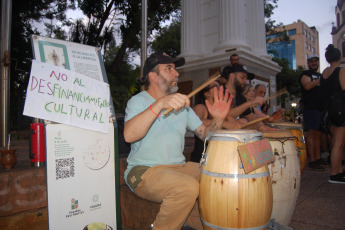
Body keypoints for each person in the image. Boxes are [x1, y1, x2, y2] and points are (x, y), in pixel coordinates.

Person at [123, 52, 232, 229]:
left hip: (179, 169)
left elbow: (205, 135)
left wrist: (218, 119)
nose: (177, 74)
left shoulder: (183, 106)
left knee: (218, 175)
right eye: (169, 68)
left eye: (175, 69)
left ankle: (202, 224)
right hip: (143, 171)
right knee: (187, 187)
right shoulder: (139, 101)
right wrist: (159, 104)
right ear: (153, 76)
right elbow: (129, 135)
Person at [190, 80, 241, 163]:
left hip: (218, 158)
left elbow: (237, 124)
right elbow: (196, 120)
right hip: (202, 159)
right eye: (216, 87)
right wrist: (223, 123)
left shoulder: (222, 112)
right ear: (206, 93)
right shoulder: (200, 107)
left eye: (220, 86)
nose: (220, 89)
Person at [223, 64, 277, 131]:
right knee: (243, 121)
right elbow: (224, 115)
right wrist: (251, 102)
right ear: (232, 76)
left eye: (246, 79)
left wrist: (261, 126)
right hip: (219, 135)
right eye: (242, 78)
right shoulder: (219, 92)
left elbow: (250, 116)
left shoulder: (240, 97)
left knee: (244, 121)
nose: (245, 81)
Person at [320, 44, 345, 184]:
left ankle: (339, 171)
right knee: (338, 144)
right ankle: (334, 174)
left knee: (336, 142)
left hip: (329, 111)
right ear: (340, 57)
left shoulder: (324, 72)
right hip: (340, 110)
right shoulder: (341, 71)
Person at [299, 54, 324, 171]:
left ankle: (318, 158)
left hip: (320, 108)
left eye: (316, 61)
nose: (314, 63)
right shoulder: (306, 74)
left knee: (318, 134)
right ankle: (312, 160)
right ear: (308, 63)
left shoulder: (320, 75)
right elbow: (307, 86)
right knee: (311, 134)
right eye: (311, 61)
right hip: (310, 108)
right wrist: (321, 79)